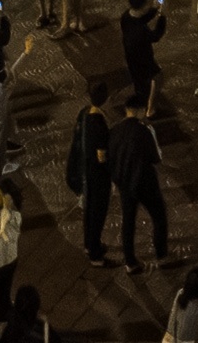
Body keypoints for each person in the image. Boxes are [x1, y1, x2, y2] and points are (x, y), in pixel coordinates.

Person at [106, 91, 169, 271]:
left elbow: (109, 158)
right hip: (145, 181)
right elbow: (155, 157)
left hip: (124, 182)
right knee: (158, 216)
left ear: (126, 110)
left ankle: (130, 262)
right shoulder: (144, 130)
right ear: (140, 110)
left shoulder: (114, 131)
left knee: (128, 220)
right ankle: (161, 254)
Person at [66, 82, 113, 265]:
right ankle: (95, 254)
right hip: (97, 176)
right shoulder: (99, 123)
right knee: (97, 213)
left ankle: (89, 244)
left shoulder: (84, 112)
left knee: (88, 212)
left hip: (84, 171)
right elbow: (102, 157)